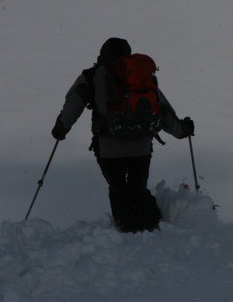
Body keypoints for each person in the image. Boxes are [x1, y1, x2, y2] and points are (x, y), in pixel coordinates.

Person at [51, 37, 194, 233]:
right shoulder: (139, 75)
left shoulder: (92, 75)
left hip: (109, 148)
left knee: (118, 189)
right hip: (141, 146)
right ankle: (152, 226)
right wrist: (182, 130)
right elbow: (161, 108)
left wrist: (61, 128)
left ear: (102, 54)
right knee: (139, 188)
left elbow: (74, 104)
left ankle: (128, 231)